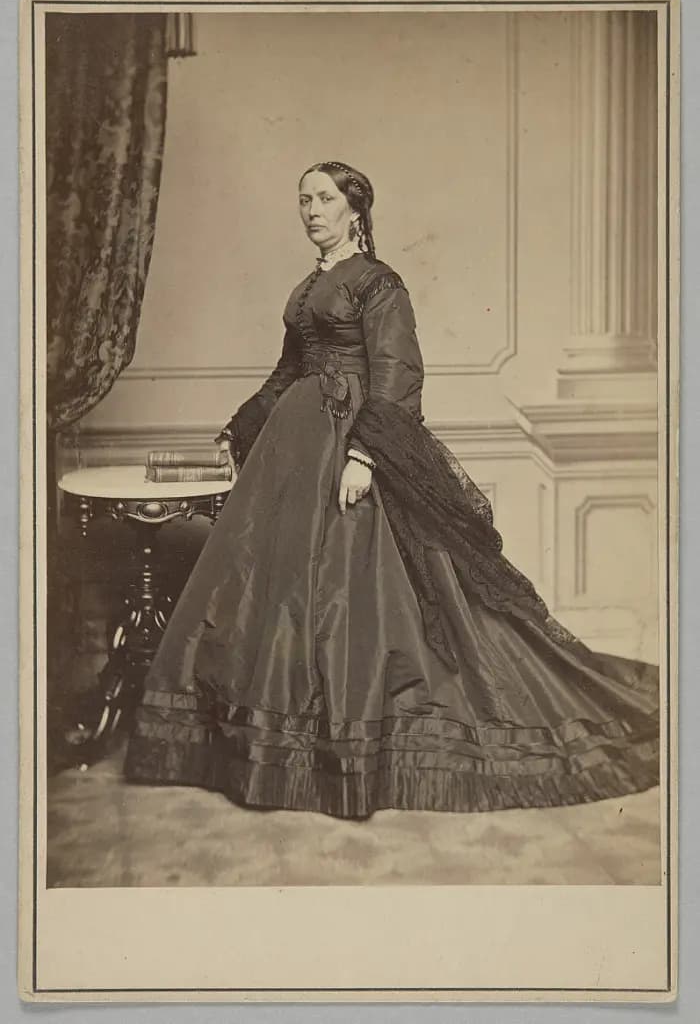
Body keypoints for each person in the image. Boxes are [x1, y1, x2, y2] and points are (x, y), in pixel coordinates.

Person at [124, 161, 659, 819]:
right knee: (283, 592)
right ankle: (277, 747)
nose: (311, 210)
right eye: (303, 200)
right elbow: (287, 371)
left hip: (348, 445)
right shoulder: (309, 287)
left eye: (323, 198)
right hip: (292, 454)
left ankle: (354, 752)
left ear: (356, 210)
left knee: (351, 598)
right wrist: (240, 427)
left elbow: (398, 374)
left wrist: (364, 456)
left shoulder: (379, 283)